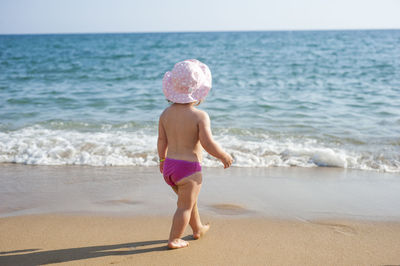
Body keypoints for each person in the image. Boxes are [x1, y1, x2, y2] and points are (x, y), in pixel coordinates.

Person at [158, 59, 233, 249]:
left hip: (170, 167)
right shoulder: (199, 116)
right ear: (199, 90)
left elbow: (161, 141)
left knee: (188, 200)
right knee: (184, 206)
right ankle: (174, 239)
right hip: (188, 169)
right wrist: (223, 155)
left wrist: (161, 159)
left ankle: (197, 228)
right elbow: (207, 143)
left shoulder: (165, 114)